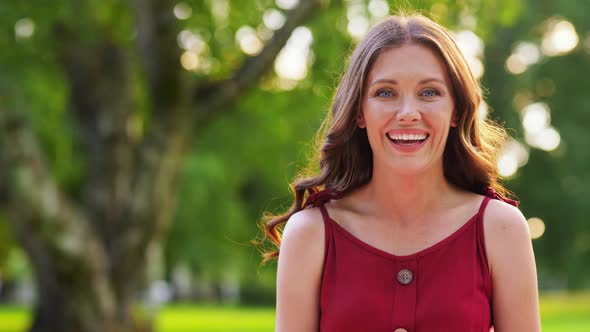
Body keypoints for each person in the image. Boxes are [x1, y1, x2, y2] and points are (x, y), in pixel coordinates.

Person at [259, 13, 541, 332]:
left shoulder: (500, 230)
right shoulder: (310, 234)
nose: (408, 113)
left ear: (456, 110)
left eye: (429, 92)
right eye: (385, 93)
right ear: (360, 112)